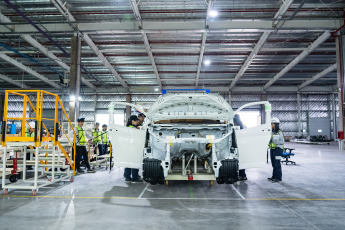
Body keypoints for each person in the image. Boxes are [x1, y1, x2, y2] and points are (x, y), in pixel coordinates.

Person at [124, 115, 143, 183]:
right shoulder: (133, 129)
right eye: (136, 121)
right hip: (134, 148)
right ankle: (135, 177)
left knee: (128, 163)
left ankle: (127, 177)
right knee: (135, 162)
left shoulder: (128, 128)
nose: (137, 122)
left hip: (128, 148)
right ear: (132, 121)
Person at [268, 117, 284, 183]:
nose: (271, 125)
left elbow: (281, 142)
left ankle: (278, 177)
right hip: (272, 149)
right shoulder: (272, 132)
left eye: (272, 123)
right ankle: (274, 176)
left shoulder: (279, 132)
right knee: (273, 164)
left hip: (278, 150)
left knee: (277, 163)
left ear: (276, 124)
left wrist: (273, 141)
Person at [233, 114, 247, 181]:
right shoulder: (244, 126)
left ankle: (242, 175)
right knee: (241, 161)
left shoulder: (238, 128)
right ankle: (242, 175)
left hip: (240, 146)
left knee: (240, 161)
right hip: (242, 146)